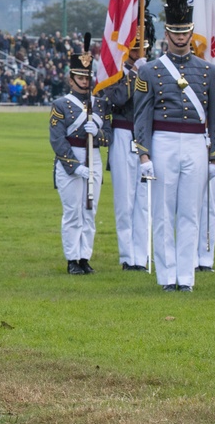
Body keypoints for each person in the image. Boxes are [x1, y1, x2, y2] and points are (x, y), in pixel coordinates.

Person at [134, 0, 215, 293]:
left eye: (185, 32)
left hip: (196, 145)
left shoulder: (209, 72)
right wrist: (143, 154)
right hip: (163, 142)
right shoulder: (150, 72)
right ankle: (166, 276)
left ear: (191, 32)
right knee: (162, 212)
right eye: (175, 33)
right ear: (168, 33)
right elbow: (142, 115)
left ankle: (186, 277)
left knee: (190, 213)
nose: (181, 38)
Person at [48, 43, 111, 275]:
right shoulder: (61, 105)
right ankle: (72, 259)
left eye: (87, 78)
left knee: (89, 213)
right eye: (79, 78)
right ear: (71, 79)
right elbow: (57, 140)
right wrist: (74, 167)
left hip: (93, 157)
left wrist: (99, 133)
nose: (84, 82)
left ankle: (85, 256)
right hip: (71, 161)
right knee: (73, 211)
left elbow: (109, 137)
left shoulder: (100, 105)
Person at [103, 20, 155, 271]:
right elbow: (119, 98)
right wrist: (136, 75)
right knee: (125, 199)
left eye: (141, 48)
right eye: (134, 49)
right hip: (124, 134)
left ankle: (142, 255)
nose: (138, 53)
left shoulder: (153, 69)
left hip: (146, 137)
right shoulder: (116, 73)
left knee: (144, 200)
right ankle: (127, 256)